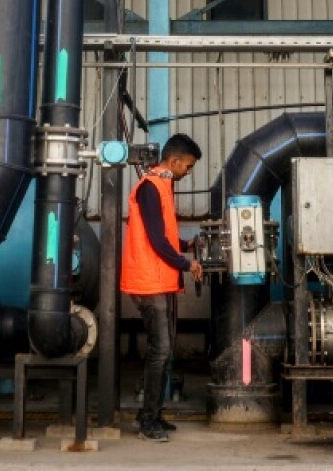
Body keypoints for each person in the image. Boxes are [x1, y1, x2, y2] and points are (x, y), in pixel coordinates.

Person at [120, 133, 204, 442]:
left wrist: (186, 245)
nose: (188, 172)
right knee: (160, 350)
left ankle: (153, 414)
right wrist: (186, 264)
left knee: (163, 350)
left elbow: (163, 234)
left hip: (159, 279)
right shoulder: (150, 188)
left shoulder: (163, 186)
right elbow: (156, 242)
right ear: (174, 161)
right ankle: (147, 421)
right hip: (148, 280)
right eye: (188, 166)